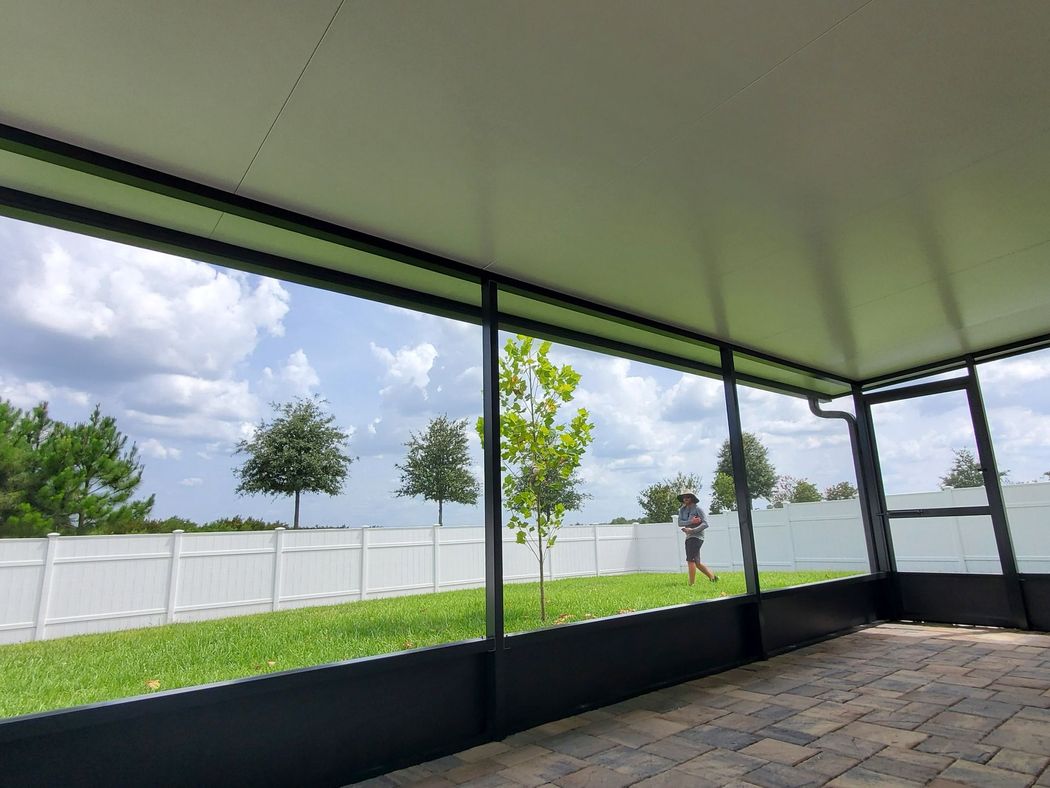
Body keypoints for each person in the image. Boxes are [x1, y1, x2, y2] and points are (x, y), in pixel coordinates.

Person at [677, 490, 718, 585]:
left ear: (692, 498)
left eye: (688, 496)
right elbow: (679, 523)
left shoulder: (698, 509)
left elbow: (705, 523)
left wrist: (692, 530)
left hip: (697, 536)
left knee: (690, 560)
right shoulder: (682, 510)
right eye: (684, 497)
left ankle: (691, 584)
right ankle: (713, 578)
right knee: (697, 562)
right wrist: (691, 522)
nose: (685, 498)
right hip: (689, 537)